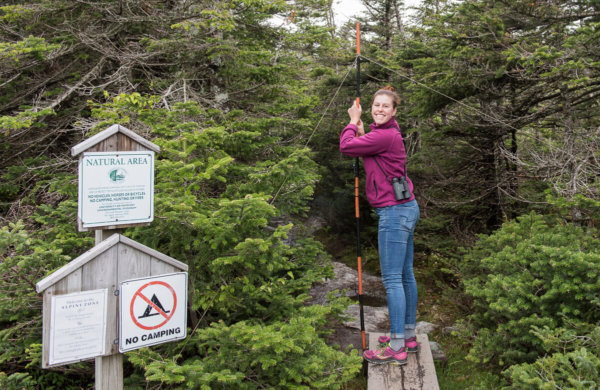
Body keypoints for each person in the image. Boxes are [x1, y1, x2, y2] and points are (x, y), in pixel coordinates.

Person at [339, 86, 420, 365]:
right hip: (407, 209)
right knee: (406, 275)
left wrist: (352, 122)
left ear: (395, 111)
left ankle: (397, 346)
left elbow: (346, 147)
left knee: (393, 280)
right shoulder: (385, 135)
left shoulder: (385, 135)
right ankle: (407, 335)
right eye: (376, 105)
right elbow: (371, 151)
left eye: (386, 106)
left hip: (395, 213)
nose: (380, 109)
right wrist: (363, 132)